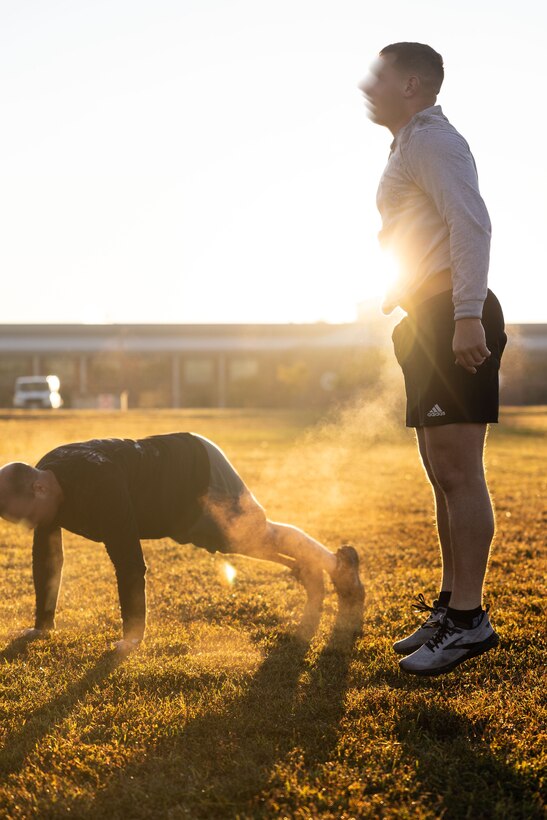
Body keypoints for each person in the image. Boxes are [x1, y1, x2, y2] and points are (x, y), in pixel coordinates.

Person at [359, 42, 507, 676]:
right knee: (440, 473)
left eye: (380, 76)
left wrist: (466, 314)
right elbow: (424, 232)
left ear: (413, 84)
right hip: (429, 315)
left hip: (454, 314)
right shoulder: (407, 143)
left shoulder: (432, 141)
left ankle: (470, 622)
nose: (368, 85)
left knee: (458, 471)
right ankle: (452, 606)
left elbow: (470, 222)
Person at [0, 433, 364, 652]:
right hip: (172, 509)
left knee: (257, 533)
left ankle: (338, 566)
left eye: (24, 514)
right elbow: (48, 558)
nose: (26, 524)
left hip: (195, 466)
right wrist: (42, 624)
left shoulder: (99, 482)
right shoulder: (47, 487)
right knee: (238, 543)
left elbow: (128, 560)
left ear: (38, 487)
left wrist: (132, 636)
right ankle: (306, 567)